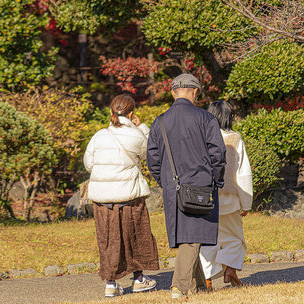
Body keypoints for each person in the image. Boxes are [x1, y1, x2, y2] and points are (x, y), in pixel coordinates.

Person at [147, 74, 226, 302]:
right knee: (192, 237)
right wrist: (216, 180)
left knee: (190, 234)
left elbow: (152, 158)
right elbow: (217, 154)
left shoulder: (159, 121)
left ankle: (201, 287)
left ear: (173, 92)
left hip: (173, 188)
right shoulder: (205, 118)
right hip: (201, 185)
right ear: (195, 92)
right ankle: (179, 287)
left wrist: (165, 183)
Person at [84, 93, 159, 297]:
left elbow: (88, 164)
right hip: (129, 196)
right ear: (131, 113)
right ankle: (138, 279)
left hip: (102, 199)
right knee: (135, 235)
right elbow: (148, 153)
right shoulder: (136, 135)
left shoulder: (99, 135)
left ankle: (110, 283)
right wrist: (141, 126)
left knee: (108, 239)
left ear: (111, 112)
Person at [199, 101, 252, 290]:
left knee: (208, 239)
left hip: (204, 198)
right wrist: (246, 203)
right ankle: (230, 268)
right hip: (230, 198)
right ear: (229, 117)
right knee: (235, 238)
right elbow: (243, 173)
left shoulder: (201, 138)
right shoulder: (235, 139)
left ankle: (207, 278)